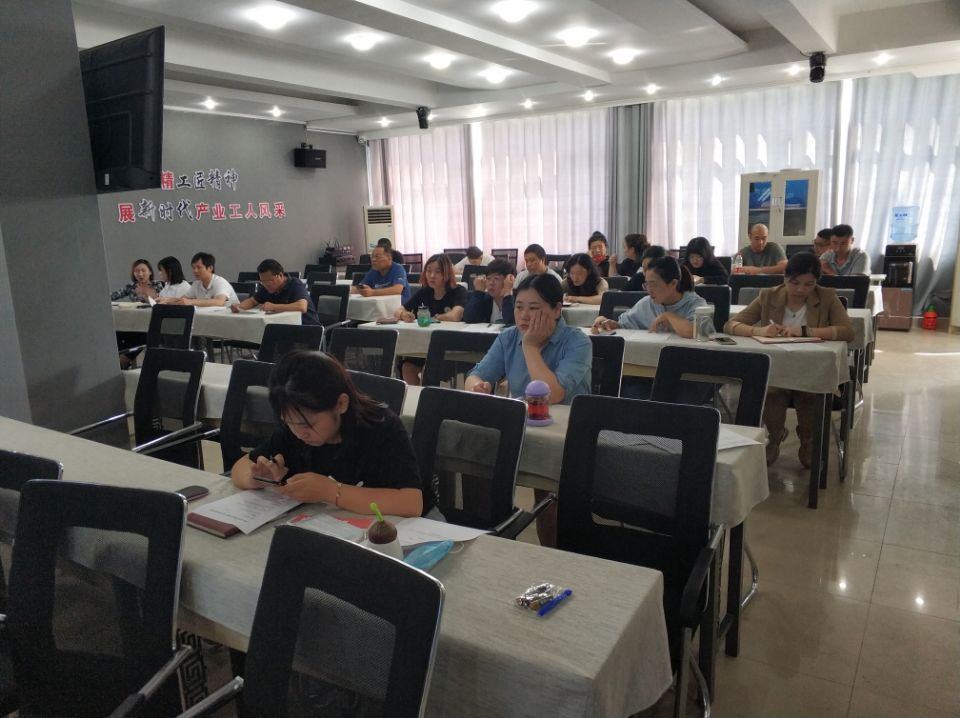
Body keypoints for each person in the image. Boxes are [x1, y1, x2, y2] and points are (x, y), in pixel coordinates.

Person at [230, 350, 424, 517]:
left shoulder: (380, 427)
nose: (300, 434)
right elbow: (240, 467)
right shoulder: (294, 427)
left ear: (341, 404)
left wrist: (332, 492)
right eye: (289, 423)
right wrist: (256, 479)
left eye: (309, 424)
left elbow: (412, 503)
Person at [724, 252, 854, 468]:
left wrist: (805, 331)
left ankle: (807, 440)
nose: (801, 289)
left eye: (809, 284)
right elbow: (731, 325)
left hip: (811, 368)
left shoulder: (827, 297)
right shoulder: (769, 296)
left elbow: (848, 332)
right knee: (772, 393)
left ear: (816, 282)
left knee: (810, 395)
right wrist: (759, 330)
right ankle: (774, 437)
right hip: (777, 368)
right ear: (785, 278)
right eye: (795, 283)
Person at [466, 273, 591, 405]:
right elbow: (475, 376)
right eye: (519, 307)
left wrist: (530, 346)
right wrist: (477, 387)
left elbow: (551, 395)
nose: (524, 316)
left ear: (556, 310)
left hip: (566, 417)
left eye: (533, 308)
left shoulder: (578, 342)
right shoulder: (508, 337)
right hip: (524, 416)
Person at [394, 254, 468, 385]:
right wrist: (403, 315)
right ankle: (418, 396)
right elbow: (398, 310)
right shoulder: (425, 292)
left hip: (450, 349)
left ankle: (428, 396)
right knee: (407, 367)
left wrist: (433, 318)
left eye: (437, 272)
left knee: (428, 370)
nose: (432, 276)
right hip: (424, 347)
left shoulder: (458, 291)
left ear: (446, 274)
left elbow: (455, 316)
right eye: (428, 271)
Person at [593, 256, 704, 338]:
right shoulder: (647, 303)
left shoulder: (696, 304)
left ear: (673, 283)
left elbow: (696, 332)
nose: (649, 290)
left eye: (653, 284)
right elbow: (623, 325)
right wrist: (609, 323)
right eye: (647, 284)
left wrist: (668, 316)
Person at [230, 259, 319, 324]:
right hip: (283, 327)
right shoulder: (266, 287)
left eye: (269, 281)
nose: (266, 285)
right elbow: (252, 301)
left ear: (280, 275)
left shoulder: (295, 284)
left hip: (306, 327)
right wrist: (239, 307)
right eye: (263, 281)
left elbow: (302, 307)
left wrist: (273, 307)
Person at [158, 252, 238, 306]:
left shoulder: (220, 282)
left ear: (210, 268)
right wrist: (166, 300)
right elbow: (182, 300)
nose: (195, 271)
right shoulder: (196, 284)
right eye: (193, 268)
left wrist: (191, 302)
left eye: (199, 267)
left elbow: (219, 302)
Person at [463, 259, 515, 325]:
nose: (491, 283)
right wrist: (478, 292)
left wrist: (508, 292)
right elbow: (469, 319)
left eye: (496, 278)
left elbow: (511, 322)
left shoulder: (519, 300)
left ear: (509, 279)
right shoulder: (486, 299)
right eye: (488, 279)